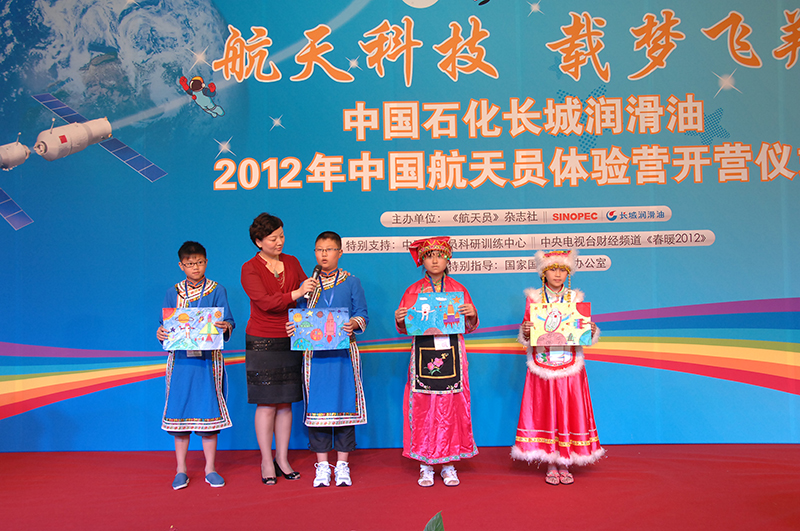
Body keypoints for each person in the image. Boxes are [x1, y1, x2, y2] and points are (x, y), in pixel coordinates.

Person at [511, 249, 604, 485]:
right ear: (543, 272)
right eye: (553, 269)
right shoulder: (534, 298)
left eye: (563, 269)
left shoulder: (575, 298)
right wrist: (526, 331)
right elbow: (526, 330)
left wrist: (591, 331)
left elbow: (581, 329)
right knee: (546, 408)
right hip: (542, 362)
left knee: (567, 406)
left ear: (568, 272)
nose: (558, 274)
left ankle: (565, 460)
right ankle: (550, 461)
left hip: (569, 361)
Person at [394, 237, 478, 487]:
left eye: (439, 256)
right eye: (429, 256)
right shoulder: (412, 291)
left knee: (452, 404)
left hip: (453, 353)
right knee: (424, 405)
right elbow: (405, 327)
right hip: (423, 353)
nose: (434, 260)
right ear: (422, 260)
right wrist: (400, 319)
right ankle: (426, 464)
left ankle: (449, 463)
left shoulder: (459, 289)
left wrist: (472, 314)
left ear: (447, 259)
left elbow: (469, 325)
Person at [286, 231, 369, 488]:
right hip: (315, 357)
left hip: (343, 355)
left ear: (340, 253)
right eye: (319, 249)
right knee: (317, 407)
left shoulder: (352, 282)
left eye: (329, 249)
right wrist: (293, 326)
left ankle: (342, 464)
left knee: (345, 405)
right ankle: (322, 465)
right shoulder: (307, 285)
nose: (324, 254)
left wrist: (354, 323)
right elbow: (299, 316)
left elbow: (362, 314)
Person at [241, 213, 318, 485]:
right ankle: (266, 460)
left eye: (282, 236)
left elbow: (306, 297)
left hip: (291, 338)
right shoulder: (250, 268)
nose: (279, 242)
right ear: (258, 241)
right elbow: (265, 302)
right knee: (266, 402)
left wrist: (311, 291)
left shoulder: (292, 261)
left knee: (286, 402)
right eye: (273, 238)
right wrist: (297, 293)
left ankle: (282, 459)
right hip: (262, 339)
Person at [156, 241, 235, 490]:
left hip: (207, 362)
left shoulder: (217, 290)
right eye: (190, 264)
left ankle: (210, 468)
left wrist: (225, 326)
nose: (196, 267)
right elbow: (165, 325)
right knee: (180, 413)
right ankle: (181, 469)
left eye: (200, 262)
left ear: (206, 262)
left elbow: (229, 320)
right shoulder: (173, 292)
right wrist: (160, 333)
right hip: (181, 363)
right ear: (181, 265)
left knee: (208, 411)